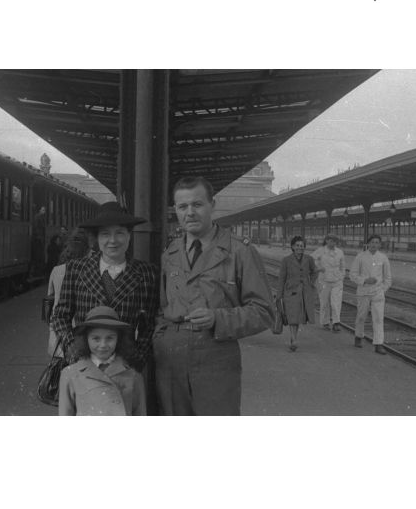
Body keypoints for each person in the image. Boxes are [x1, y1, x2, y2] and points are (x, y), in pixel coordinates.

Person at [153, 176, 274, 416]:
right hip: (170, 359)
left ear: (212, 204)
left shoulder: (240, 252)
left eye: (197, 204)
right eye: (182, 207)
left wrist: (218, 318)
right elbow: (161, 307)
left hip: (216, 357)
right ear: (175, 210)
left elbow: (264, 311)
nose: (190, 213)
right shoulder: (170, 253)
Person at [51, 201, 159, 377]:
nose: (113, 240)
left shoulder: (147, 273)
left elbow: (150, 323)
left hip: (125, 369)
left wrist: (137, 359)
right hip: (84, 366)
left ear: (129, 236)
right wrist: (73, 352)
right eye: (105, 234)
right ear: (97, 239)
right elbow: (60, 315)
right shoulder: (76, 269)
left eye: (120, 233)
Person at [58, 306, 146, 415]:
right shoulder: (70, 374)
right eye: (96, 338)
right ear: (86, 339)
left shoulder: (133, 376)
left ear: (119, 339)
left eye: (110, 338)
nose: (103, 345)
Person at [45, 228, 90, 356]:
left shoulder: (56, 270)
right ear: (86, 250)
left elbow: (50, 297)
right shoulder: (90, 271)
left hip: (59, 328)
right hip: (80, 329)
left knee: (60, 368)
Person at [349, 234, 392, 354]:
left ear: (380, 244)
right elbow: (352, 275)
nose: (374, 245)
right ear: (368, 244)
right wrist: (364, 281)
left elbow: (388, 278)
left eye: (377, 242)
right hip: (363, 292)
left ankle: (378, 344)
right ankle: (358, 336)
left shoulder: (383, 258)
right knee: (361, 316)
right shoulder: (360, 257)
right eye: (372, 242)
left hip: (377, 293)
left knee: (378, 318)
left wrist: (382, 289)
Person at [277, 236, 319, 352]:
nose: (300, 248)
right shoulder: (286, 260)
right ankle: (293, 339)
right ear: (292, 247)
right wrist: (279, 295)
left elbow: (314, 271)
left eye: (302, 246)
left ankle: (293, 338)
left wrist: (310, 282)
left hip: (304, 292)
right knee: (292, 315)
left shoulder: (309, 259)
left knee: (298, 315)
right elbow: (281, 278)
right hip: (290, 291)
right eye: (297, 245)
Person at [311, 233, 346, 331]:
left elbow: (343, 266)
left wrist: (341, 276)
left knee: (336, 303)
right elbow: (311, 260)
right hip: (323, 281)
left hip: (337, 281)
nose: (333, 242)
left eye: (335, 241)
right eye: (331, 240)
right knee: (324, 303)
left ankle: (336, 323)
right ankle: (325, 322)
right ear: (326, 241)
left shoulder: (340, 252)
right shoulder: (320, 251)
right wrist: (318, 268)